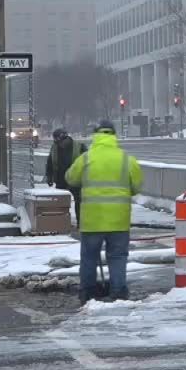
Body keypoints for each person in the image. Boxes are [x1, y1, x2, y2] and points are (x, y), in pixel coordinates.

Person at [65, 120, 143, 303]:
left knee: (89, 257)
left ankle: (88, 291)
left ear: (96, 135)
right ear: (114, 136)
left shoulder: (86, 158)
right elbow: (137, 186)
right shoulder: (126, 159)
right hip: (119, 220)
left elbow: (71, 178)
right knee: (117, 257)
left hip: (92, 220)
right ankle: (118, 291)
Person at [45, 128, 86, 226]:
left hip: (75, 180)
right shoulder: (55, 147)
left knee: (79, 201)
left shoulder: (79, 146)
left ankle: (81, 223)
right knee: (60, 202)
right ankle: (61, 223)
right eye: (57, 143)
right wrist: (49, 177)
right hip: (60, 180)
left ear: (65, 138)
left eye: (60, 142)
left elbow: (87, 162)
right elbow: (50, 163)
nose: (60, 145)